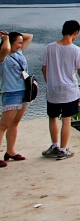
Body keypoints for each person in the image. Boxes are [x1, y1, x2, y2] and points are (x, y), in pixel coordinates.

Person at [41, 21, 80, 160]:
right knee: (66, 119)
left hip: (53, 91)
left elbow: (44, 68)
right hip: (69, 91)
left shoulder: (49, 48)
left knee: (53, 118)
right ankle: (63, 149)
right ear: (75, 33)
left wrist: (50, 82)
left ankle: (54, 145)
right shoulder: (76, 50)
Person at [0, 31, 33, 166]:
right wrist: (5, 38)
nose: (20, 45)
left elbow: (29, 36)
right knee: (3, 125)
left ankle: (11, 151)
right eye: (18, 43)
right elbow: (6, 48)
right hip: (11, 93)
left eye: (21, 43)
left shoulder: (19, 53)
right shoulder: (3, 56)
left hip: (24, 92)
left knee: (15, 123)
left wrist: (13, 33)